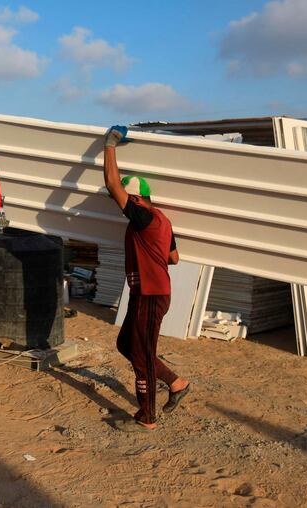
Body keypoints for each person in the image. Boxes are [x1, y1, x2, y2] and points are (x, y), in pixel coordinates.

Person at [104, 125, 191, 432]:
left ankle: (147, 417)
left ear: (138, 199)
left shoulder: (144, 217)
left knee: (141, 355)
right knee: (126, 344)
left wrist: (110, 145)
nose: (122, 206)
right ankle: (175, 382)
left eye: (128, 199)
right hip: (149, 294)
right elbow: (174, 258)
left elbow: (113, 184)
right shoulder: (161, 221)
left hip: (151, 295)